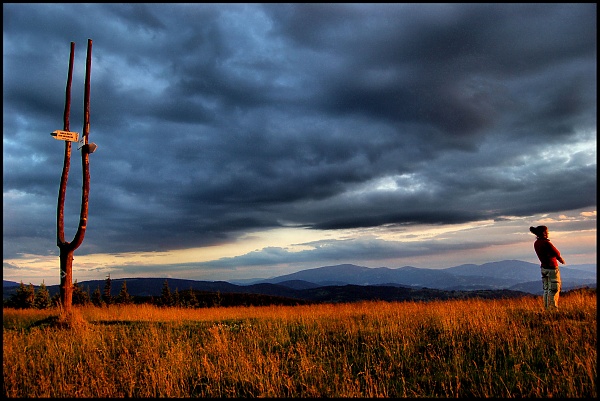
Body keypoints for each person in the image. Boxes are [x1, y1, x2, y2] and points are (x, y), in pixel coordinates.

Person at [529, 225, 565, 311]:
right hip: (552, 268)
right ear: (544, 233)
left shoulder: (536, 243)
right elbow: (556, 252)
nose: (548, 233)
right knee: (554, 288)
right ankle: (553, 309)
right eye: (547, 232)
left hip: (543, 268)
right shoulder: (546, 243)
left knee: (546, 289)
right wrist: (560, 259)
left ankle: (546, 308)